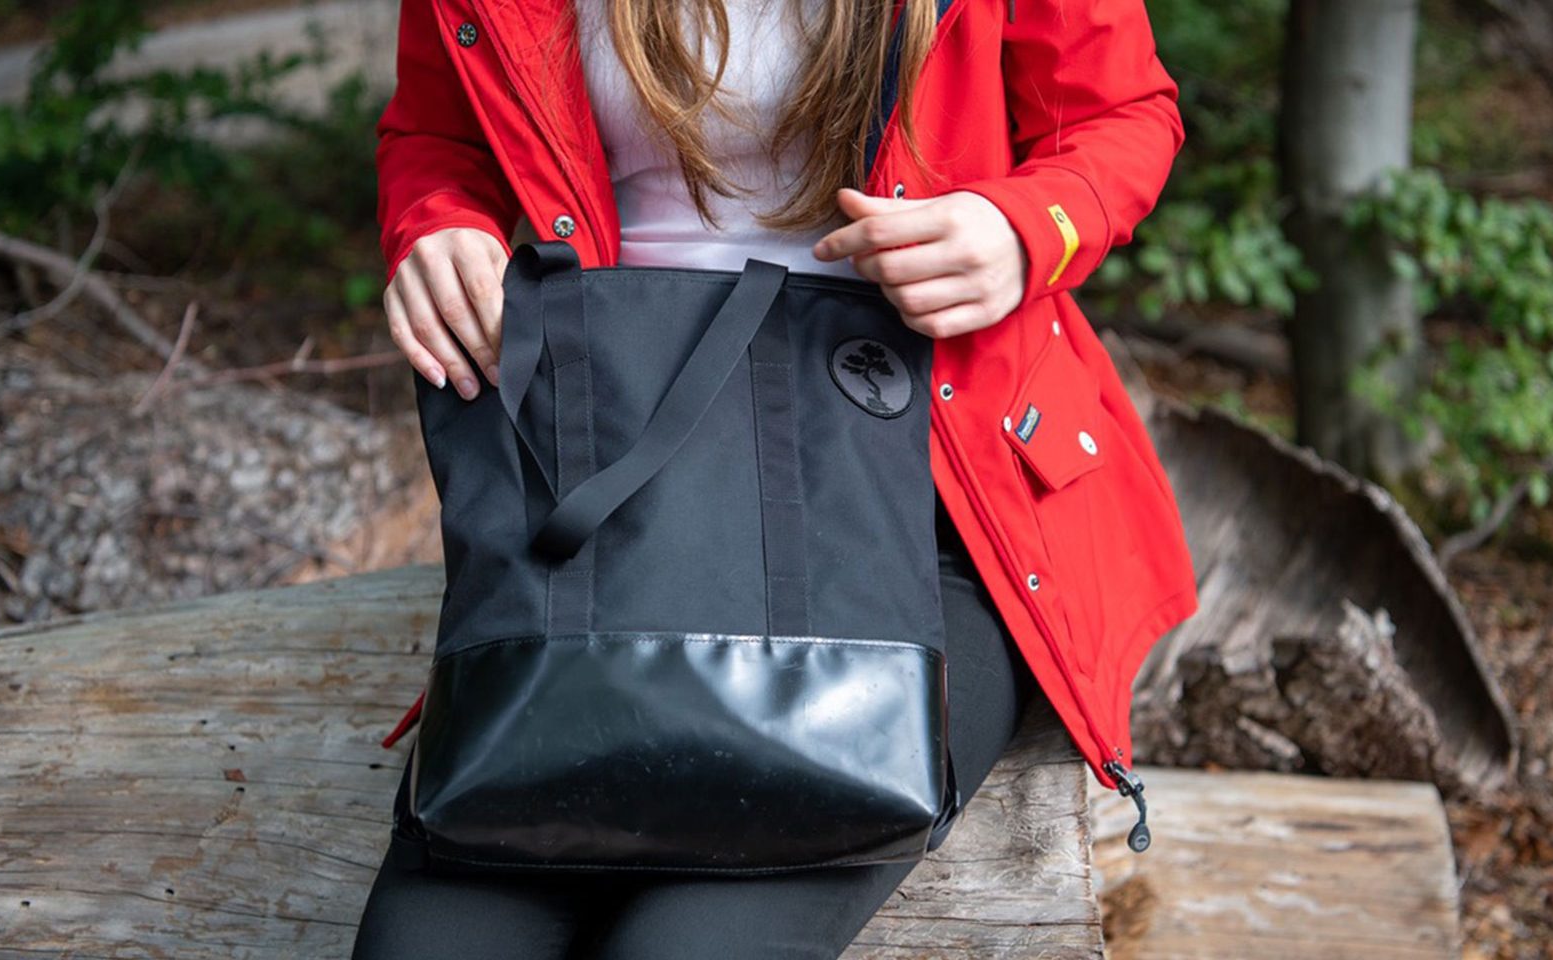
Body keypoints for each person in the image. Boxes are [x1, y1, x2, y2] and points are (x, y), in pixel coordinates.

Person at [355, 0, 1194, 956]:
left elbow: (1121, 115)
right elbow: (436, 136)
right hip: (616, 485)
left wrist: (1024, 229)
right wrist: (437, 225)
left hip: (924, 500)